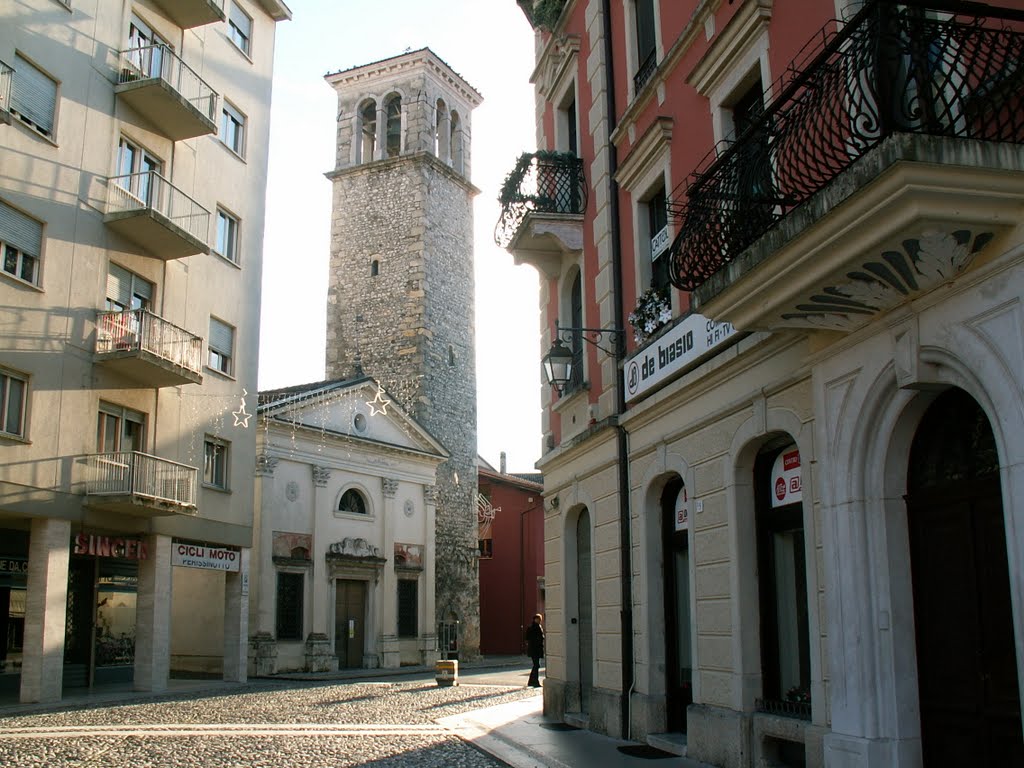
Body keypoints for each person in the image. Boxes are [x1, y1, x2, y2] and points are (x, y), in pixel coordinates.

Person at [525, 613, 544, 688]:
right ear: (535, 619)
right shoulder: (533, 627)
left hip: (536, 649)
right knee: (536, 665)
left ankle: (531, 681)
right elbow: (528, 638)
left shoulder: (538, 627)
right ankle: (535, 682)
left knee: (536, 665)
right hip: (535, 649)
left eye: (540, 619)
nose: (540, 621)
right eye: (538, 619)